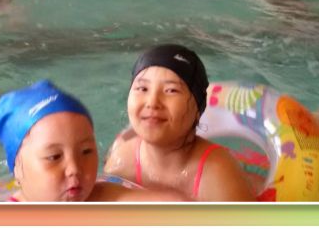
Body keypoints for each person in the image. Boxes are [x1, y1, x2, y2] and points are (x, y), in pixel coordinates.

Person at [0, 80, 188, 202]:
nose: (75, 168)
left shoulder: (103, 197)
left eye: (86, 151)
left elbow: (177, 206)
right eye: (54, 157)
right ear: (18, 168)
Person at [103, 44, 255, 201]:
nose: (152, 102)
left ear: (198, 109)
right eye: (142, 88)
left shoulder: (218, 173)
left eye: (171, 90)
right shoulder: (122, 161)